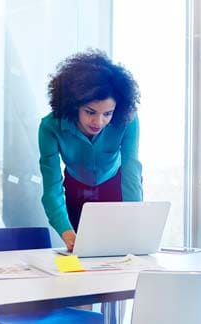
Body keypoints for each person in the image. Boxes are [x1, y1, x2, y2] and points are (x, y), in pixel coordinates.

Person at [38, 49, 143, 251]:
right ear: (73, 105)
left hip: (116, 186)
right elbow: (52, 187)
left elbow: (131, 172)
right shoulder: (50, 127)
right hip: (76, 190)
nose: (99, 121)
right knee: (81, 252)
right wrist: (65, 230)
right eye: (90, 112)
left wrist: (134, 221)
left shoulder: (128, 120)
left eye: (108, 114)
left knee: (122, 251)